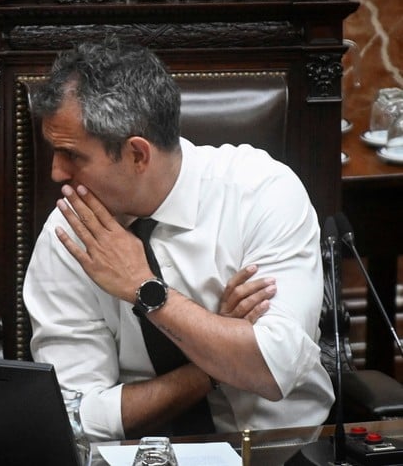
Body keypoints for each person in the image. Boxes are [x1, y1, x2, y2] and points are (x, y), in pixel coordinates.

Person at [23, 39, 333, 441]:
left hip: (280, 453)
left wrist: (146, 290)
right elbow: (76, 417)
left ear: (137, 155)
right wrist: (211, 363)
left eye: (72, 155)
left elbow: (275, 371)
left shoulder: (261, 192)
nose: (56, 173)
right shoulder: (69, 232)